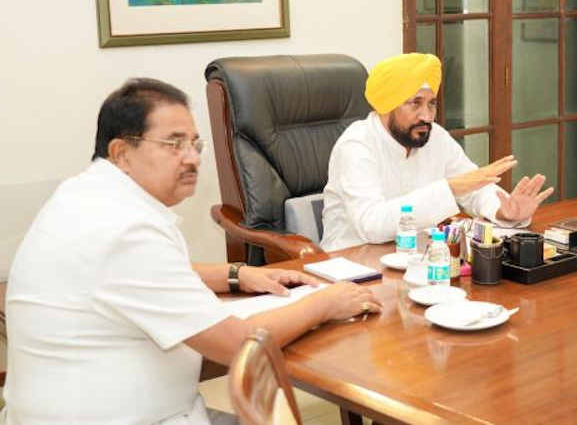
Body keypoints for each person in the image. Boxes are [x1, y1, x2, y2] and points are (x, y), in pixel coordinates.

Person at [2, 79, 382, 424]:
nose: (192, 157)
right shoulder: (125, 228)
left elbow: (130, 276)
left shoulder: (87, 196)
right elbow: (237, 344)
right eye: (173, 144)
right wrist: (327, 303)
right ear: (121, 152)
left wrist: (235, 274)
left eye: (194, 143)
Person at [320, 53, 554, 251]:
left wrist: (505, 210)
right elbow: (371, 225)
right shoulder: (357, 145)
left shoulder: (435, 136)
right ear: (386, 106)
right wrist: (450, 188)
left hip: (419, 258)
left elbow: (472, 187)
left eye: (431, 103)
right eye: (415, 103)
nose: (427, 116)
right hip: (353, 263)